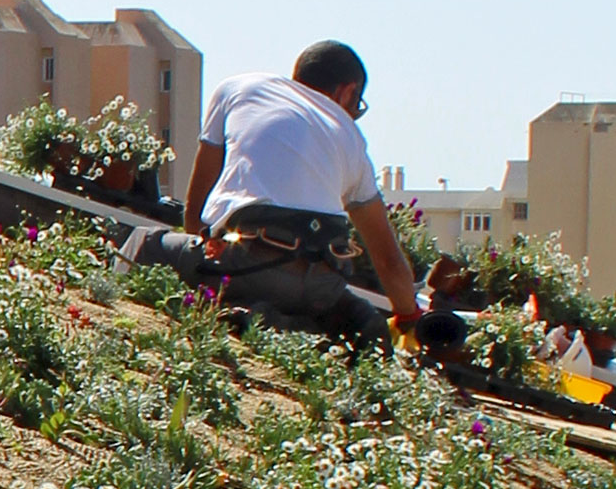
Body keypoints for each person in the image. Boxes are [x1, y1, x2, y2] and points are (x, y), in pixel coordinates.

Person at [124, 40, 427, 340]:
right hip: (321, 287)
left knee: (143, 241)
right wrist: (409, 317)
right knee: (356, 316)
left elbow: (197, 205)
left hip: (245, 265)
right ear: (348, 92)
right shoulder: (353, 142)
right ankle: (290, 322)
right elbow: (387, 259)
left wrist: (202, 261)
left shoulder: (237, 89)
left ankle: (252, 314)